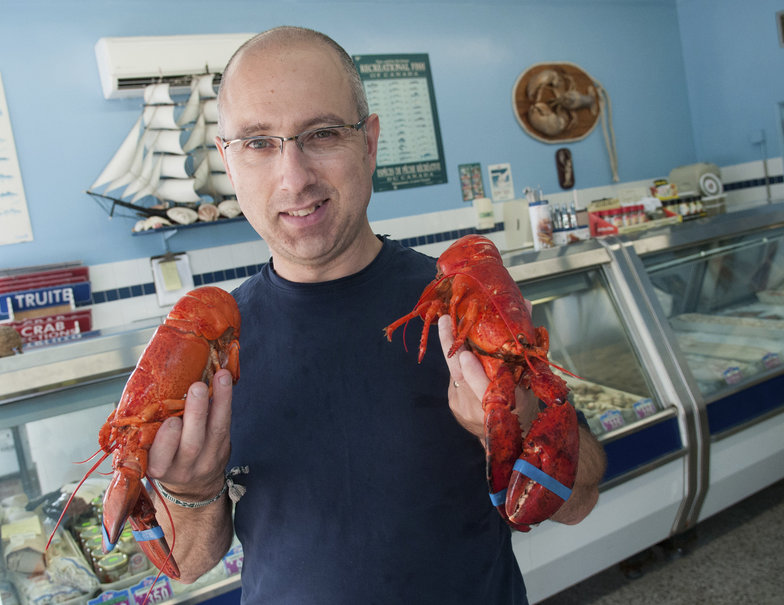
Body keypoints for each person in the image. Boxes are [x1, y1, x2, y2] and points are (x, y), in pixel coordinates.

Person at [147, 26, 606, 604]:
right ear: (227, 162)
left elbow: (581, 497)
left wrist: (514, 423)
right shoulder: (205, 344)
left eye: (323, 133)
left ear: (369, 143)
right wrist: (195, 489)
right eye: (259, 143)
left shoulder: (465, 299)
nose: (294, 177)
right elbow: (185, 564)